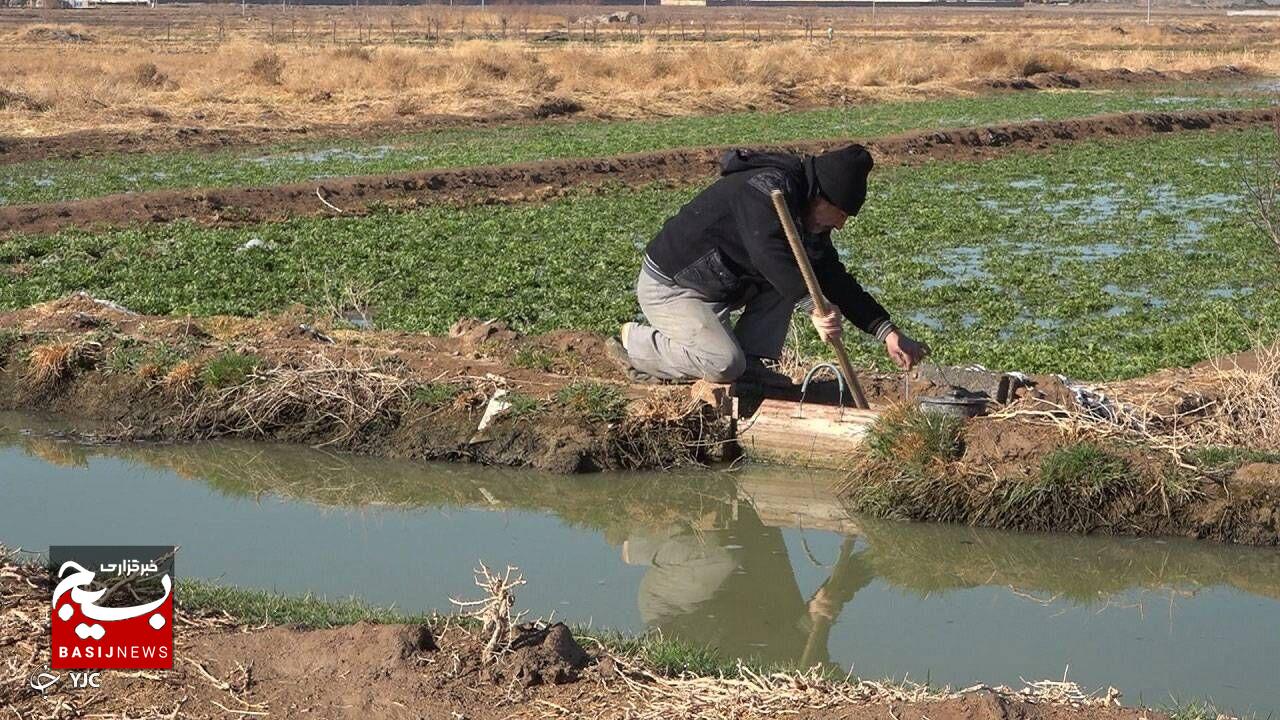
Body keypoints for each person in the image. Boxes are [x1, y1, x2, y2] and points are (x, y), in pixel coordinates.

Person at [609, 144, 928, 386]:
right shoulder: (766, 190)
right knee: (723, 364)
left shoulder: (809, 215)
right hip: (672, 286)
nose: (841, 226)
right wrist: (814, 309)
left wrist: (887, 333)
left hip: (718, 287)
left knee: (799, 274)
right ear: (824, 198)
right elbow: (767, 252)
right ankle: (634, 343)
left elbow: (832, 276)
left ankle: (752, 364)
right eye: (841, 216)